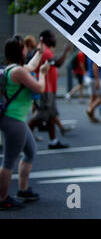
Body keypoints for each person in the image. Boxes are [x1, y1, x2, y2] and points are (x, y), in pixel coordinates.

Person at [0, 35, 49, 210]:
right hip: (14, 120)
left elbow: (32, 65)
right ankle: (3, 198)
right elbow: (39, 88)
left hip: (15, 119)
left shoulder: (13, 69)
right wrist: (43, 74)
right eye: (24, 48)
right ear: (20, 51)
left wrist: (39, 52)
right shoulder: (18, 72)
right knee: (9, 161)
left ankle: (22, 190)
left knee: (30, 151)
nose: (26, 50)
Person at [28, 30, 71, 149]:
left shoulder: (44, 49)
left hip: (50, 89)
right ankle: (24, 137)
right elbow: (58, 63)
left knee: (51, 116)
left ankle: (53, 141)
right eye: (52, 36)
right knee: (40, 116)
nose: (54, 38)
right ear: (45, 39)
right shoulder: (44, 51)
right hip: (45, 90)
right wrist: (65, 51)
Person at [85, 58, 101, 123]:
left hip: (90, 77)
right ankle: (90, 108)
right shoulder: (95, 55)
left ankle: (92, 117)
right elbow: (95, 66)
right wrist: (97, 80)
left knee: (93, 97)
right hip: (94, 79)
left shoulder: (89, 55)